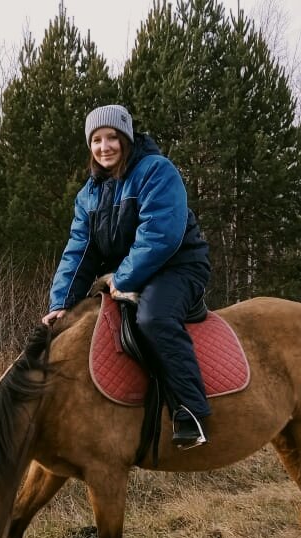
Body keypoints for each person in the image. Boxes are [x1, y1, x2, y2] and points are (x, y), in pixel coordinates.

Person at [42, 105, 212, 449]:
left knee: (153, 318)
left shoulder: (156, 171)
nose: (104, 146)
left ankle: (191, 410)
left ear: (126, 138)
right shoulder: (87, 195)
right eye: (96, 139)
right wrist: (61, 302)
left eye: (112, 137)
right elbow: (79, 251)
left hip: (177, 266)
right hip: (131, 274)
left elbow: (161, 235)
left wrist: (124, 276)